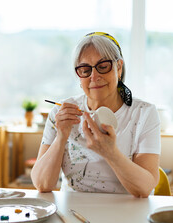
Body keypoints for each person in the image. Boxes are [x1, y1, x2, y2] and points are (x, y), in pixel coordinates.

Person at [31, 32, 161, 198]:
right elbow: (42, 184)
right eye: (85, 69)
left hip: (128, 213)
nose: (94, 76)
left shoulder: (144, 113)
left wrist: (110, 152)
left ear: (119, 68)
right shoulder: (61, 113)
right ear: (79, 75)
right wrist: (61, 136)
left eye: (103, 66)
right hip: (74, 214)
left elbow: (144, 189)